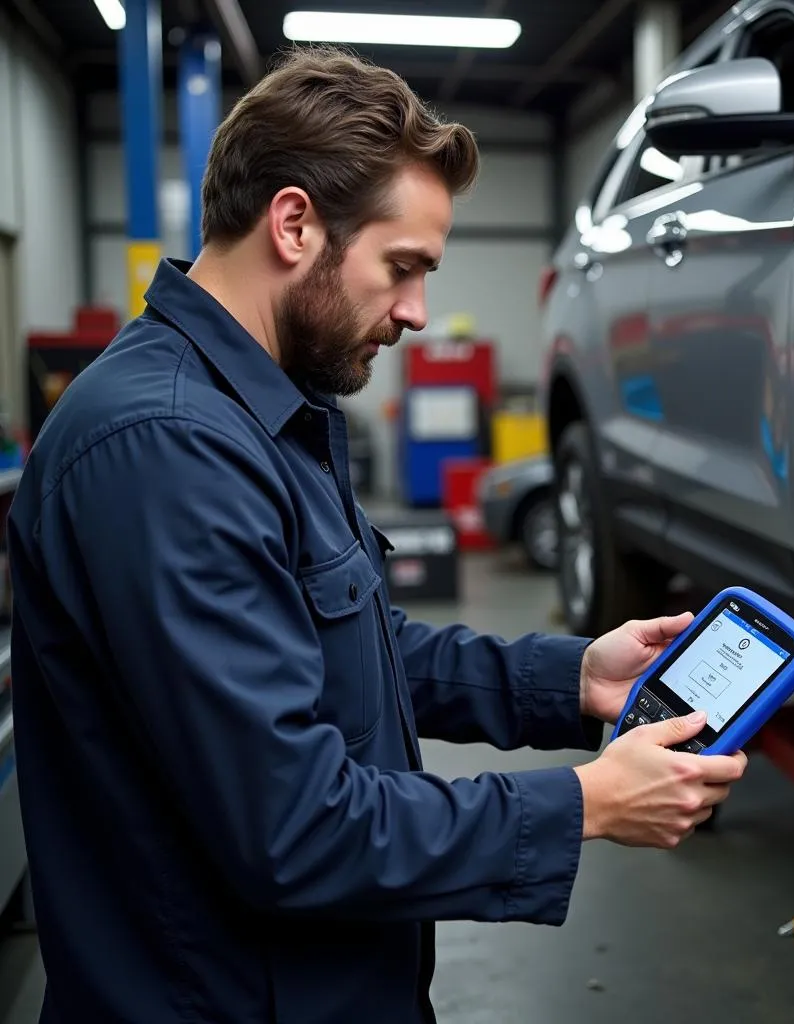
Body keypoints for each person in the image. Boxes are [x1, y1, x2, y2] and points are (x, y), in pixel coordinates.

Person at [7, 48, 748, 1023]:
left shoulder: (268, 411)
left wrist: (569, 681)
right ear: (294, 222)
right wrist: (582, 805)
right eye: (402, 268)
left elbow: (343, 650)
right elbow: (293, 826)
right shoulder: (166, 448)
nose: (416, 312)